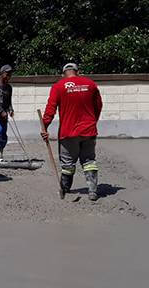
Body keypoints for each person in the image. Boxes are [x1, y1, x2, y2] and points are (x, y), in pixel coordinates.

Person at [41, 63, 103, 201]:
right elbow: (98, 105)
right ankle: (92, 191)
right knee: (89, 161)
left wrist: (44, 126)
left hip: (68, 132)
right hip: (89, 130)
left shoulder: (58, 86)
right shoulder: (90, 84)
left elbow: (50, 110)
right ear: (77, 72)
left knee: (68, 163)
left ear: (64, 73)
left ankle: (66, 188)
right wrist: (93, 121)